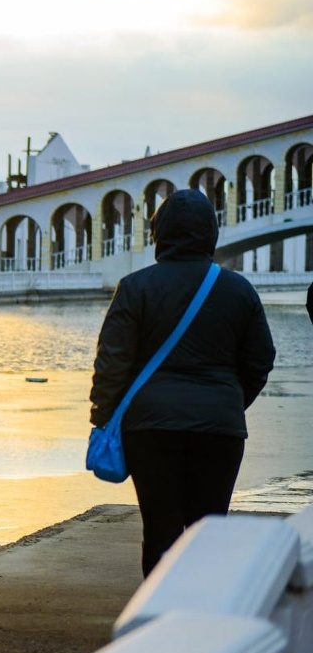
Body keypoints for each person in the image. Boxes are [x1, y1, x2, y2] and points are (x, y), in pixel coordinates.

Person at [90, 189, 276, 577]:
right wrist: (227, 401)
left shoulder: (136, 287)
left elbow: (112, 362)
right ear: (211, 233)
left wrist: (103, 417)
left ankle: (160, 620)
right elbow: (260, 360)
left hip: (151, 428)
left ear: (160, 233)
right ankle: (205, 616)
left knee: (160, 530)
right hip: (220, 429)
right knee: (209, 529)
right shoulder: (238, 290)